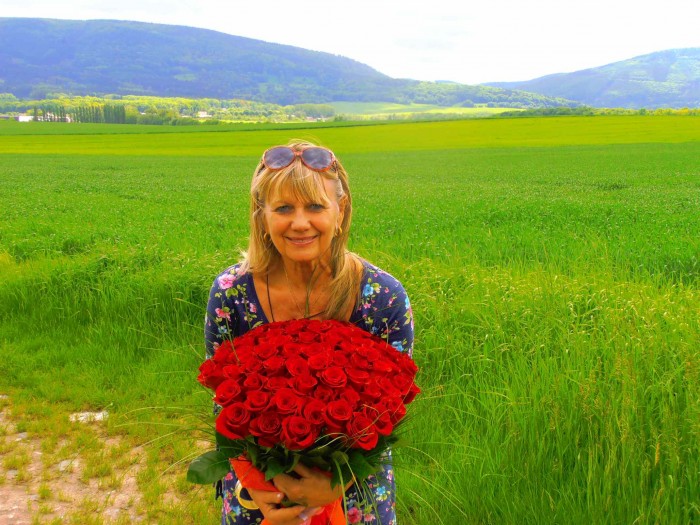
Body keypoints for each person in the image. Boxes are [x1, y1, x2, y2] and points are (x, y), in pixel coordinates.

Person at [204, 140, 414, 525]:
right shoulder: (231, 294)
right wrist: (259, 491)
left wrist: (336, 484)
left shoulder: (382, 297)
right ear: (261, 215)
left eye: (315, 206)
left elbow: (390, 413)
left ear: (341, 211)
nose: (300, 222)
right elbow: (223, 405)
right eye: (283, 208)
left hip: (353, 496)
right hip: (258, 493)